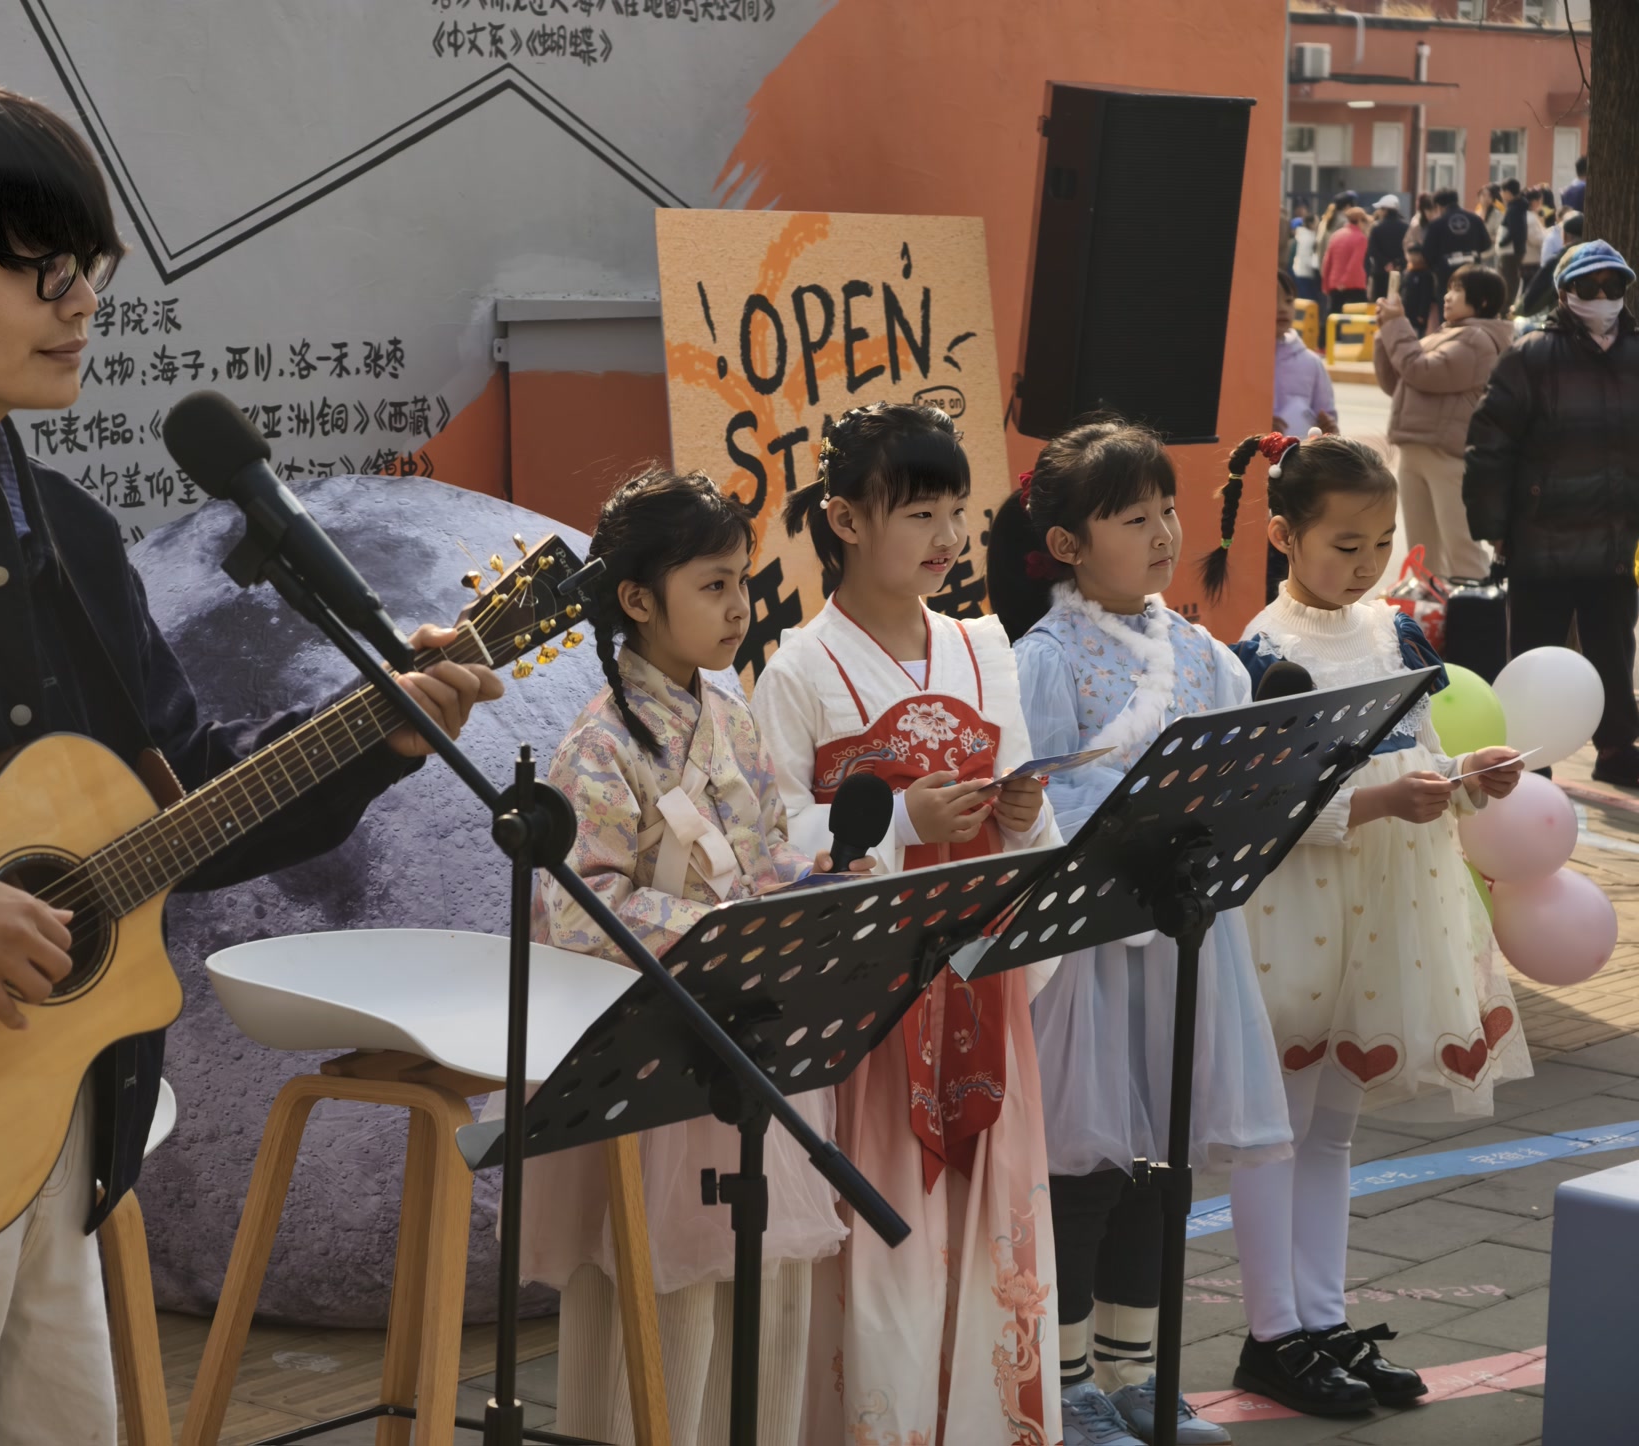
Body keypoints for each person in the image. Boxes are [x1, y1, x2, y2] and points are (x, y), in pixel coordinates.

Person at [0, 78, 502, 1443]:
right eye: (42, 270)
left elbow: (180, 797)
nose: (82, 304)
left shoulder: (68, 529)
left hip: (57, 1114)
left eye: (92, 270)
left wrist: (372, 735)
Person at [525, 467, 861, 1446]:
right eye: (713, 585)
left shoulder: (730, 713)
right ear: (637, 600)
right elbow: (582, 909)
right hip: (657, 1058)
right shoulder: (597, 745)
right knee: (661, 1310)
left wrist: (812, 881)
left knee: (767, 1300)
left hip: (744, 1031)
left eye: (741, 581)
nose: (739, 606)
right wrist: (722, 929)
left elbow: (763, 849)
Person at [1202, 432, 1532, 1417]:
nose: (1366, 563)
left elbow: (1417, 756)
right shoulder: (1262, 656)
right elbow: (1258, 806)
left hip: (1383, 908)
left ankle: (1323, 1319)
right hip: (1293, 909)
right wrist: (1384, 804)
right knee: (1277, 1128)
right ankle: (1273, 1335)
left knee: (1334, 1127)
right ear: (1283, 536)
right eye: (1345, 544)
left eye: (1382, 542)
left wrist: (1469, 780)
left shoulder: (1398, 637)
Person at [751, 402, 1060, 1446]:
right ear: (844, 519)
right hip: (874, 1004)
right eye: (920, 513)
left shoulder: (984, 645)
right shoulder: (798, 669)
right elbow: (768, 840)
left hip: (981, 974)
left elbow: (1027, 814)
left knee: (989, 1216)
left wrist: (1021, 812)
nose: (948, 537)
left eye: (957, 512)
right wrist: (898, 824)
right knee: (882, 1231)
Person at [988, 421, 1292, 1446]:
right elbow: (1031, 808)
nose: (1163, 533)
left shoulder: (1206, 655)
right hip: (1089, 959)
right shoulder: (1044, 660)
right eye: (1133, 518)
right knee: (1084, 1170)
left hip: (1184, 947)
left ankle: (1140, 1378)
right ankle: (1069, 1384)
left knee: (1163, 1166)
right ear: (1067, 545)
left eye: (1168, 510)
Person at [1467, 239, 1639, 786]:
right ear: (1565, 293)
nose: (1603, 296)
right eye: (1590, 285)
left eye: (1613, 285)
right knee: (1534, 655)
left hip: (1616, 539)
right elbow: (1489, 447)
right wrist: (1492, 528)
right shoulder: (1530, 355)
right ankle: (1527, 759)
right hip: (1539, 538)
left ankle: (1618, 749)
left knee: (1614, 649)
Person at [1374, 264, 1513, 581]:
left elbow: (1421, 371)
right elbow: (1398, 381)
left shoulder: (1476, 339)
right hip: (1417, 449)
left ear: (1483, 301)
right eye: (1449, 289)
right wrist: (1386, 332)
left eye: (1458, 290)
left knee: (1459, 547)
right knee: (1422, 552)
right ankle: (1429, 605)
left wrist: (1396, 325)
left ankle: (1475, 605)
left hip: (1447, 456)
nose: (1448, 297)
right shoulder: (1448, 334)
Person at [1274, 271, 1339, 438]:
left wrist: (1330, 430)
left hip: (1298, 453)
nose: (1283, 308)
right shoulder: (1242, 360)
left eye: (1289, 301)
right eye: (1273, 299)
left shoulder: (1311, 363)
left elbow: (1327, 417)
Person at [1519, 211, 1584, 318]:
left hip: (1568, 320)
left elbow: (1531, 302)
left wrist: (1519, 310)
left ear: (1565, 236)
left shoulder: (1560, 261)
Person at [1423, 186, 1488, 291]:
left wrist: (1437, 267)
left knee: (1448, 299)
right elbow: (1486, 245)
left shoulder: (1436, 225)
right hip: (1473, 271)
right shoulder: (1475, 220)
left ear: (1438, 206)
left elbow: (1427, 253)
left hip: (1447, 274)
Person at [1321, 206, 1370, 315]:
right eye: (1364, 221)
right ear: (1359, 221)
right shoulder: (1361, 238)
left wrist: (1325, 284)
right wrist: (1344, 281)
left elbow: (1327, 261)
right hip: (1354, 285)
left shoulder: (1336, 235)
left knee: (1335, 318)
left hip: (1334, 284)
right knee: (1356, 320)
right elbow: (1355, 263)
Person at [1363, 194, 1409, 299]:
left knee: (1380, 302)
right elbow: (1407, 248)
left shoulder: (1377, 228)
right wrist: (1397, 263)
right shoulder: (1406, 227)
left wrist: (1386, 263)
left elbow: (1372, 250)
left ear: (1385, 210)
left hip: (1381, 273)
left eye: (1380, 209)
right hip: (1400, 272)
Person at [1498, 179, 1529, 301]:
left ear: (1508, 192)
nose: (1501, 194)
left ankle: (1506, 307)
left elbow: (1513, 230)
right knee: (1511, 279)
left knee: (1508, 281)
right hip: (1516, 250)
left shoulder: (1514, 208)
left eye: (1502, 191)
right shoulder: (1519, 206)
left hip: (1510, 251)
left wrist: (1501, 243)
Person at [1400, 242, 1439, 335]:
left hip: (1417, 316)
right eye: (1410, 253)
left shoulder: (1425, 274)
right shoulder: (1406, 272)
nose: (1413, 257)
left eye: (1416, 254)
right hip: (1405, 313)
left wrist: (1422, 314)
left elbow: (1426, 295)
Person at [1291, 217, 1322, 303]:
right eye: (1316, 223)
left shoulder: (1303, 236)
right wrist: (1316, 265)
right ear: (1310, 224)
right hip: (1305, 273)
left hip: (1301, 271)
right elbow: (1306, 257)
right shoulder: (1308, 238)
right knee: (1307, 301)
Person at [1402, 192, 1435, 256]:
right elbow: (1407, 243)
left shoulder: (1437, 223)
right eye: (1429, 210)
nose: (1432, 214)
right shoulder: (1417, 223)